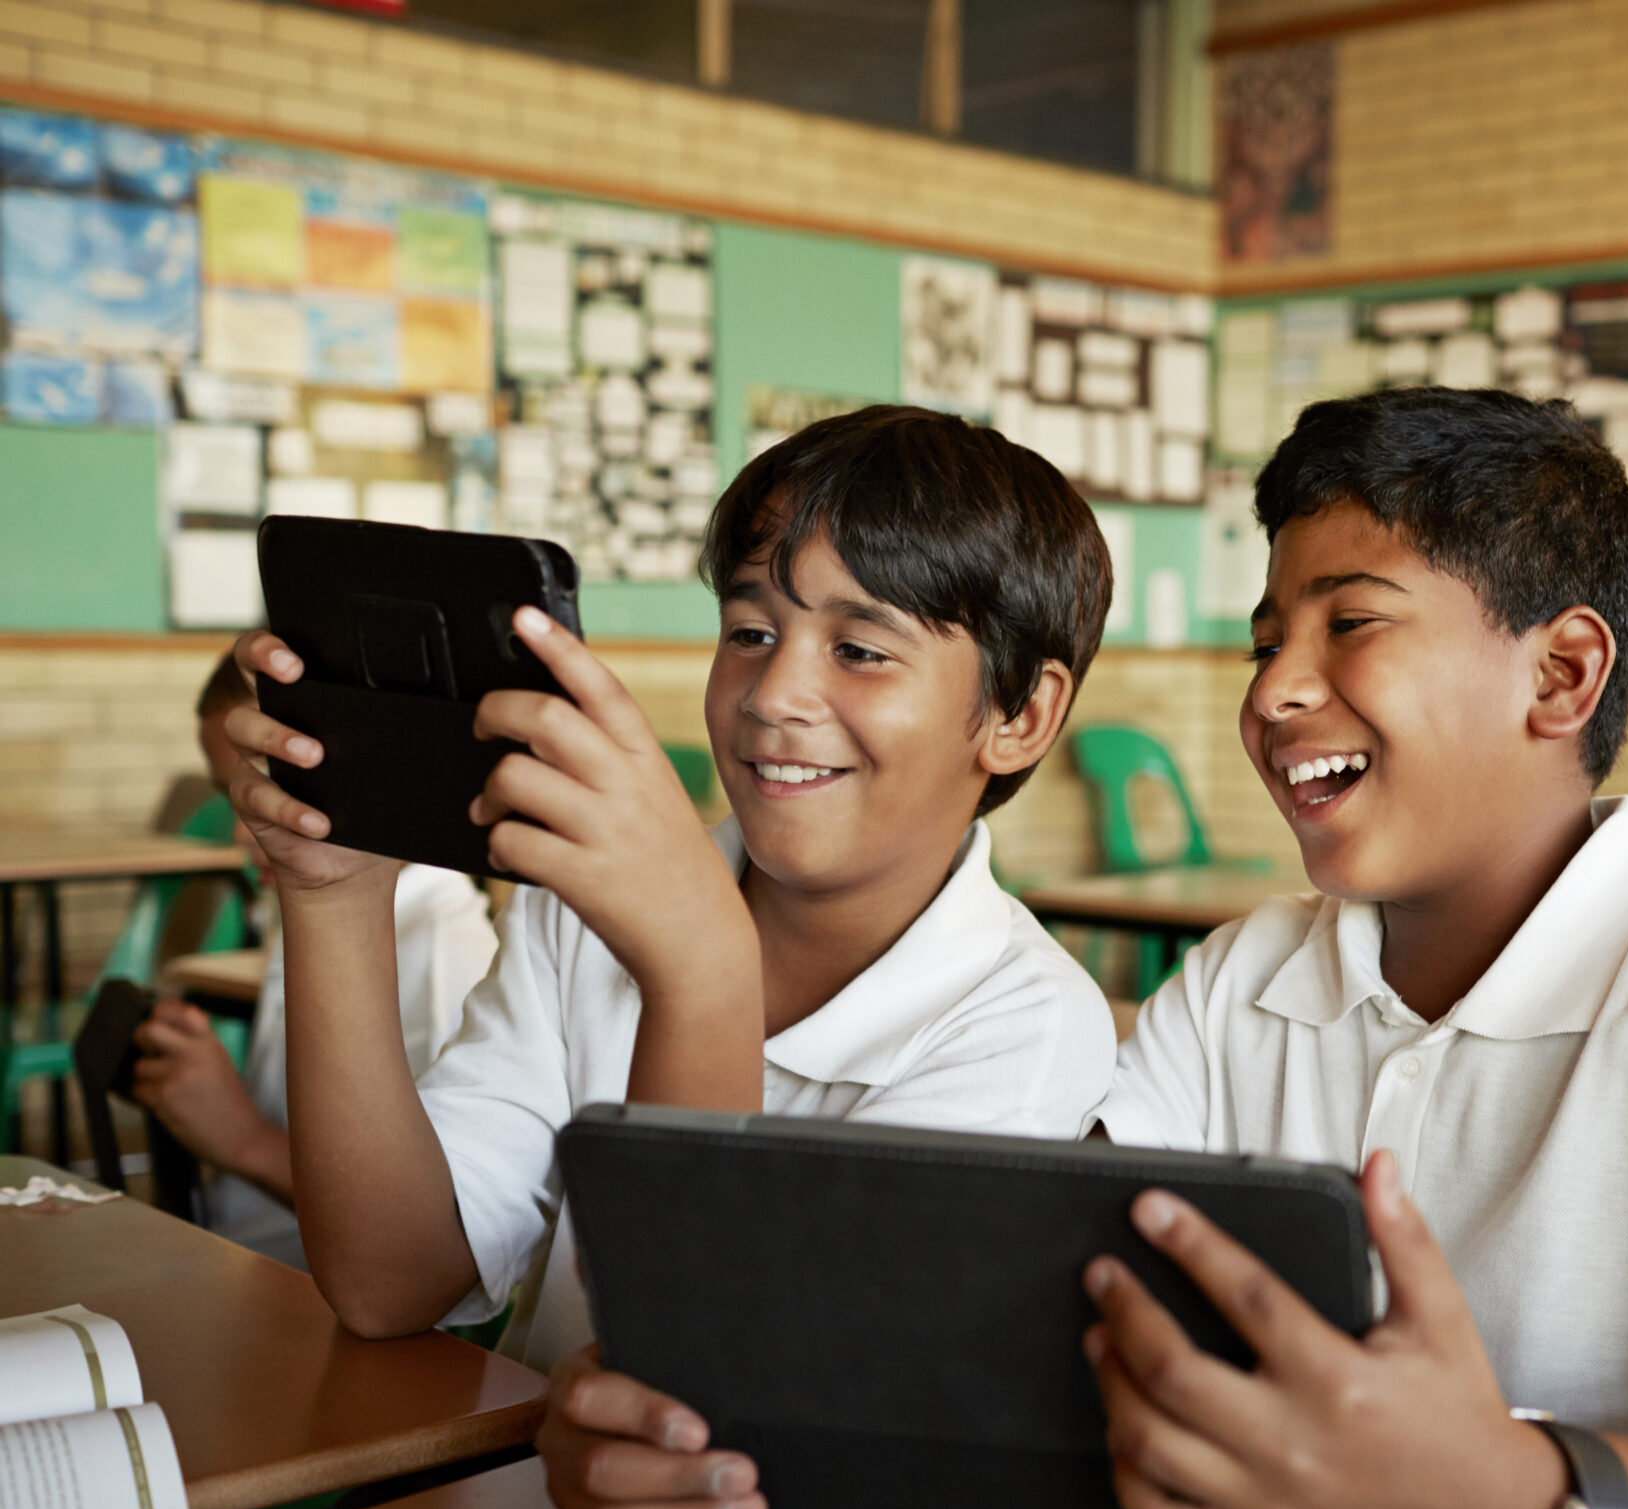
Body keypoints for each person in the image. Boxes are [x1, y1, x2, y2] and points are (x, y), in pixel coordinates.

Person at [535, 387, 1628, 1509]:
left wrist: (1509, 1506)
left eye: (1352, 625)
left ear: (1561, 672)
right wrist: (679, 1443)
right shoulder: (1240, 986)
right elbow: (1004, 1334)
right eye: (1266, 640)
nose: (1277, 692)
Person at [220, 405, 1119, 1384]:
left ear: (1021, 714)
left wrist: (701, 967)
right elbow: (388, 1282)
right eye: (750, 631)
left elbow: (708, 1397)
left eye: (861, 649)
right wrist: (335, 897)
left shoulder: (1026, 1028)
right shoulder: (578, 907)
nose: (773, 694)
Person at [130, 654, 497, 1270]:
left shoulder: (445, 949)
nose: (242, 833)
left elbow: (440, 1237)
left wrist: (242, 1139)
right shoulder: (308, 905)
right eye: (233, 795)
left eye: (277, 789)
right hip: (242, 1262)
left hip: (311, 1291)